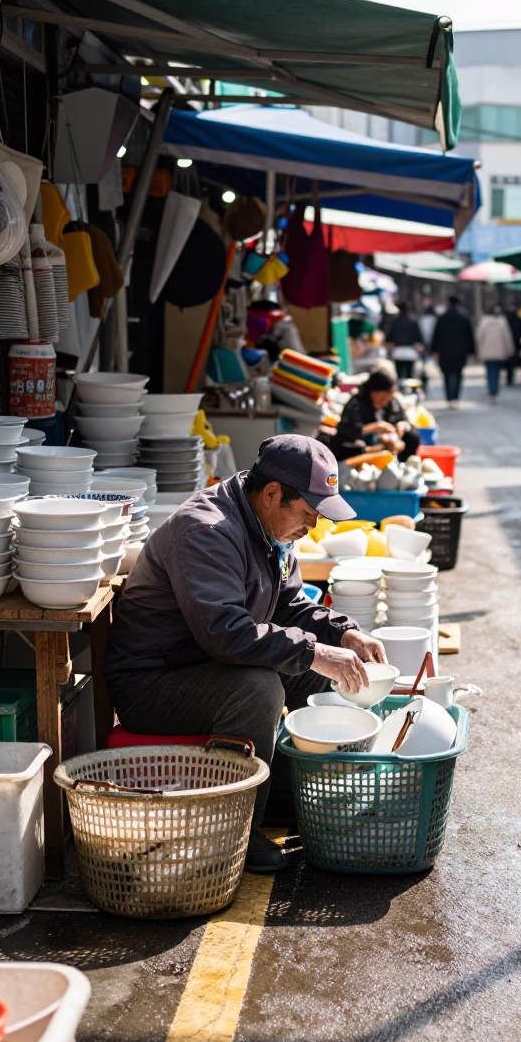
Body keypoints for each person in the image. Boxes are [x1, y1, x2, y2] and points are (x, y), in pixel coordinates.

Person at [103, 435, 388, 872]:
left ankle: (293, 793)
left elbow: (289, 604)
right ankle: (233, 831)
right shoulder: (208, 531)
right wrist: (316, 652)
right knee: (259, 688)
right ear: (272, 493)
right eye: (308, 513)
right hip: (154, 684)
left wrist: (344, 633)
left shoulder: (267, 523)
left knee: (323, 673)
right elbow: (226, 635)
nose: (312, 526)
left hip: (209, 664)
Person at [327, 365, 421, 463]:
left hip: (390, 443)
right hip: (364, 448)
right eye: (382, 398)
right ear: (373, 392)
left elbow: (403, 420)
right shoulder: (357, 404)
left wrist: (402, 426)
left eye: (388, 397)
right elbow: (346, 432)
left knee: (412, 436)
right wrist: (376, 427)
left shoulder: (392, 402)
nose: (385, 401)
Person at [431, 295, 475, 407]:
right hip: (460, 352)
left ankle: (449, 397)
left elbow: (436, 335)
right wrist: (471, 351)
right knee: (458, 374)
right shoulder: (464, 318)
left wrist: (434, 350)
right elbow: (469, 336)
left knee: (446, 375)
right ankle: (455, 397)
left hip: (445, 352)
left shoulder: (442, 318)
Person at [475, 304, 515, 401]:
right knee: (496, 372)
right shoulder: (502, 322)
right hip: (499, 351)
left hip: (487, 351)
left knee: (489, 371)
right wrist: (510, 350)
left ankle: (491, 390)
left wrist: (477, 349)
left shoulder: (484, 322)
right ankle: (494, 390)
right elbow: (507, 338)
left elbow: (479, 337)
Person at [384, 301, 424, 381]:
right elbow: (419, 338)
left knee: (399, 375)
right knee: (409, 376)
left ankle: (401, 390)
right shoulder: (413, 322)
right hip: (410, 352)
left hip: (397, 351)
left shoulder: (394, 322)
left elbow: (389, 338)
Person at [503, 304, 521, 385]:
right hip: (515, 344)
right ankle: (510, 378)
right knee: (512, 362)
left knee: (510, 362)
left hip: (513, 344)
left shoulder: (506, 320)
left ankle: (510, 378)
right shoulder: (515, 320)